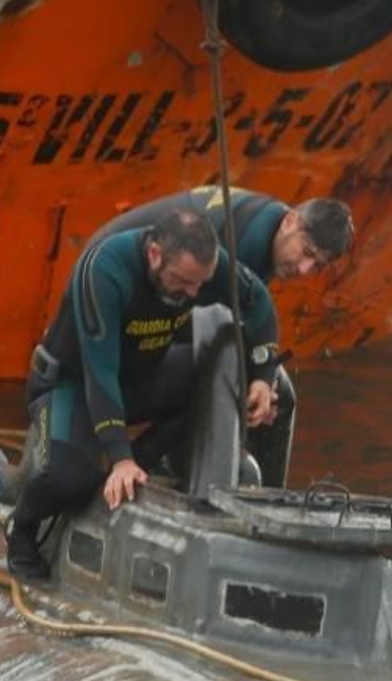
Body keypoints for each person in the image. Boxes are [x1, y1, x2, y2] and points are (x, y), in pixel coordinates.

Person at [5, 207, 280, 582]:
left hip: (140, 377)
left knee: (218, 381)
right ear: (154, 254)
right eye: (182, 282)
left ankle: (146, 462)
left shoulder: (202, 271)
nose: (193, 294)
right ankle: (20, 528)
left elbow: (259, 304)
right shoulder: (104, 269)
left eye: (200, 284)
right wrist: (118, 457)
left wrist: (262, 378)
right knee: (71, 477)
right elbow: (99, 370)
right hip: (74, 384)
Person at [84, 187, 354, 486]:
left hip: (164, 298)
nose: (304, 269)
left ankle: (156, 457)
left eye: (317, 265)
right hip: (115, 293)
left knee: (272, 388)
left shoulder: (271, 230)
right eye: (306, 253)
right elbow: (214, 333)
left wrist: (263, 379)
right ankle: (140, 459)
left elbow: (252, 314)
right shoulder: (246, 242)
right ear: (290, 221)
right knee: (225, 373)